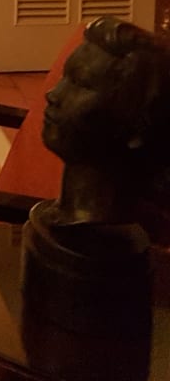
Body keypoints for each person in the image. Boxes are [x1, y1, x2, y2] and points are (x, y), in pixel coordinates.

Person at [38, 15, 170, 231]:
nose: (53, 94)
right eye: (65, 77)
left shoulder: (103, 240)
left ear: (136, 126)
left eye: (81, 84)